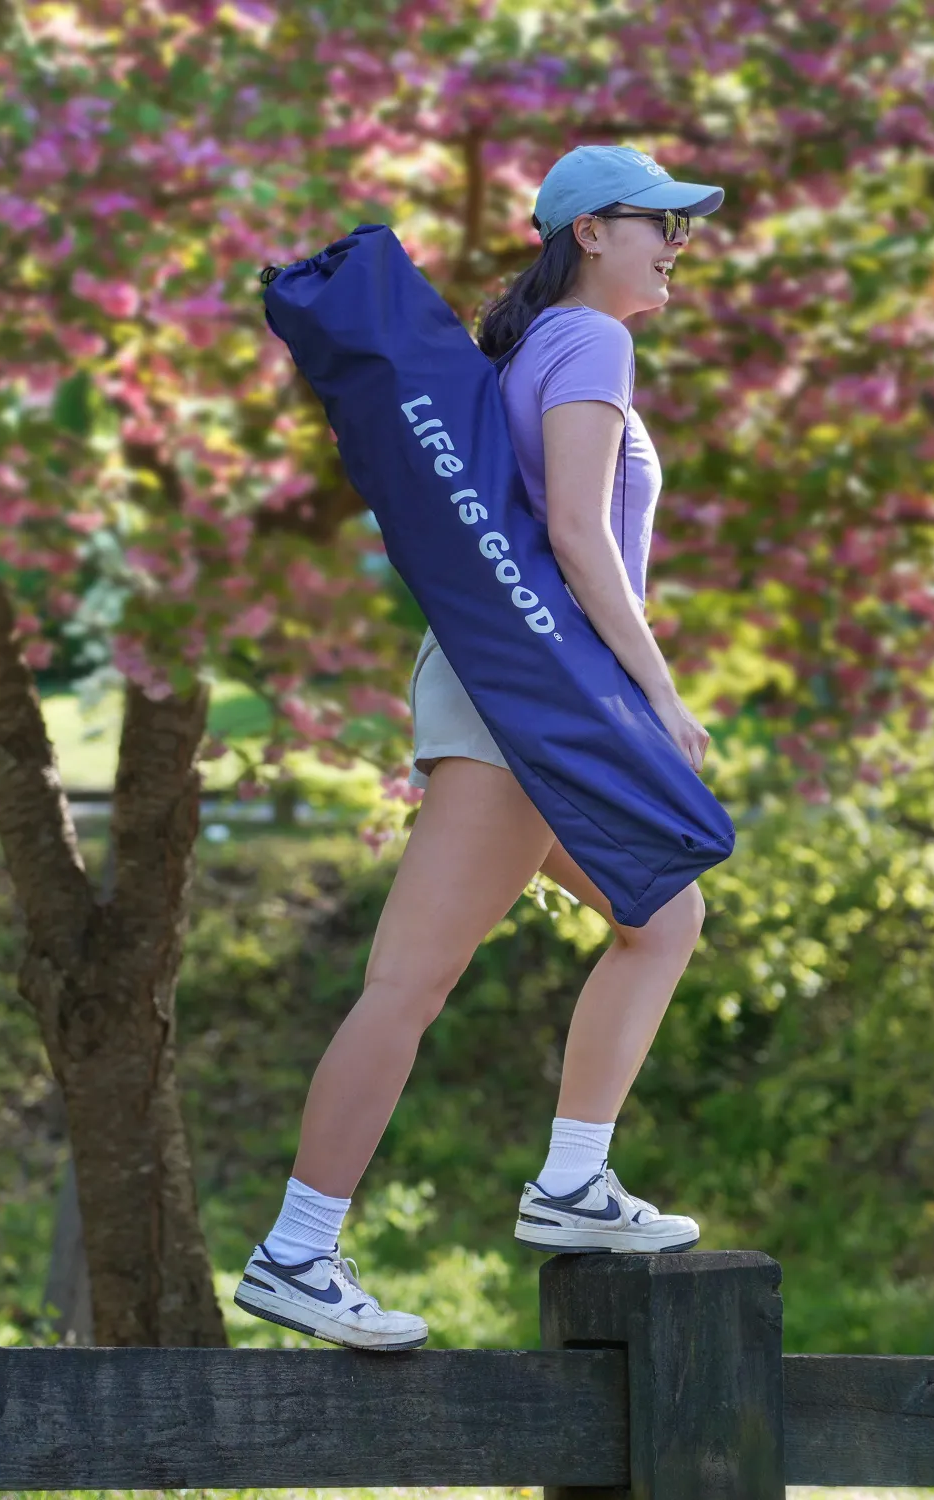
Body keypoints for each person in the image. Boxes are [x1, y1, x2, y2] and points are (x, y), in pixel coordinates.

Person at [235, 145, 726, 1351]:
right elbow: (577, 536)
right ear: (590, 232)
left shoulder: (539, 343)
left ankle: (573, 1179)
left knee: (662, 915)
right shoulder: (591, 342)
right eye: (660, 223)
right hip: (529, 704)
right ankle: (298, 1249)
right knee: (409, 984)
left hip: (511, 693)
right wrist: (659, 696)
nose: (679, 245)